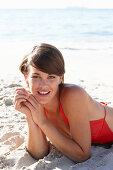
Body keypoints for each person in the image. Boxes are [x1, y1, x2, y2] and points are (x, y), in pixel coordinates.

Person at [13, 43, 113, 163]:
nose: (43, 85)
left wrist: (43, 122)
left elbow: (82, 156)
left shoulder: (73, 95)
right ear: (26, 78)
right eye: (36, 76)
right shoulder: (36, 103)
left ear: (61, 78)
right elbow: (38, 153)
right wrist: (30, 115)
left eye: (51, 77)